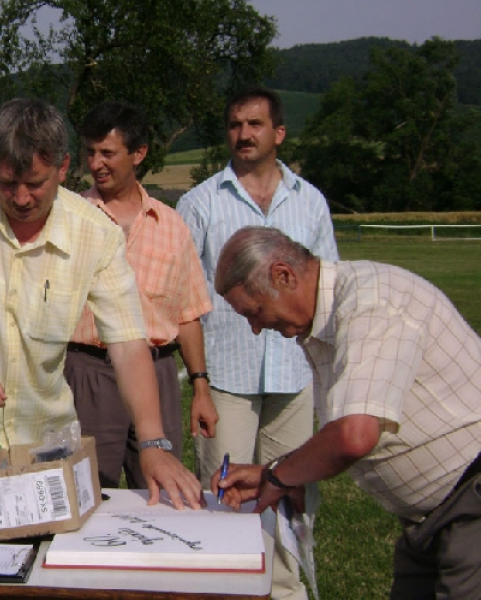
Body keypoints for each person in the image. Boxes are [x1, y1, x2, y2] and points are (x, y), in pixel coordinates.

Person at [0, 98, 203, 509]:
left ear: (63, 168)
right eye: (7, 183)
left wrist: (153, 441)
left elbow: (128, 342)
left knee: (41, 556)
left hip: (42, 439)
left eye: (36, 183)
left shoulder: (96, 234)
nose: (22, 197)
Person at [214, 226, 481, 600]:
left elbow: (354, 436)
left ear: (283, 275)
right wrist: (274, 473)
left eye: (255, 312)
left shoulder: (372, 302)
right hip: (431, 520)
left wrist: (278, 476)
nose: (256, 328)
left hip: (470, 502)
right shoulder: (323, 320)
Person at [176, 86, 339, 599]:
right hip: (226, 375)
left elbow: (327, 288)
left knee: (289, 493)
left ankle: (287, 590)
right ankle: (224, 588)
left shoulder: (309, 200)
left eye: (254, 124)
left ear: (279, 132)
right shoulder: (200, 202)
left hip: (294, 375)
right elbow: (184, 302)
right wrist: (199, 383)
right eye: (234, 125)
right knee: (225, 498)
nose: (243, 134)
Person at [65, 100, 216, 489]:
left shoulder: (172, 226)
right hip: (90, 372)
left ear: (139, 154)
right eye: (91, 152)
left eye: (108, 153)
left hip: (159, 371)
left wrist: (200, 387)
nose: (96, 163)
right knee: (86, 490)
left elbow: (188, 313)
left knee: (161, 491)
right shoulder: (69, 220)